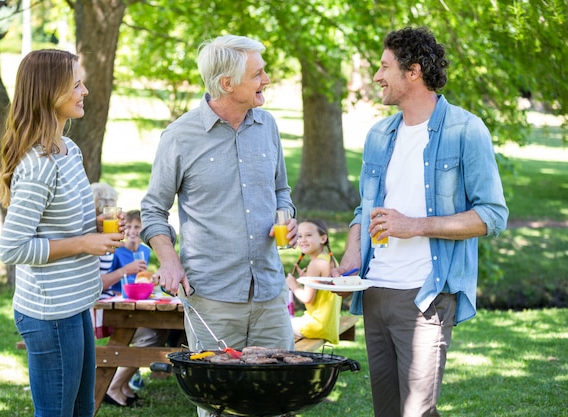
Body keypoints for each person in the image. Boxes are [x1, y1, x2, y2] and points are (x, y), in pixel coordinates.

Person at [333, 27, 509, 417]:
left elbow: (492, 216)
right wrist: (349, 261)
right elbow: (365, 211)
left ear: (412, 72)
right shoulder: (380, 135)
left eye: (384, 67)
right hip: (375, 290)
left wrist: (415, 225)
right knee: (389, 411)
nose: (377, 76)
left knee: (416, 411)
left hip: (425, 296)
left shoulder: (465, 130)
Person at [140, 34, 297, 417]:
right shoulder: (180, 136)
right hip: (212, 298)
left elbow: (282, 191)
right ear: (227, 84)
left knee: (278, 399)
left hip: (270, 295)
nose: (267, 79)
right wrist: (169, 260)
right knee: (218, 404)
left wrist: (287, 217)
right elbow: (152, 209)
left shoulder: (268, 126)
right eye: (258, 73)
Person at [0, 49, 124, 417]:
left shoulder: (69, 151)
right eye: (76, 84)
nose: (85, 91)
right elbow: (13, 247)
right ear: (49, 92)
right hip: (50, 312)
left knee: (83, 409)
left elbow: (61, 224)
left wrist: (95, 229)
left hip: (77, 303)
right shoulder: (38, 165)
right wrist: (86, 243)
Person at [104, 209, 168, 407]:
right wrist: (126, 271)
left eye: (137, 227)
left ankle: (123, 385)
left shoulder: (145, 252)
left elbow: (140, 280)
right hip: (118, 306)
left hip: (138, 303)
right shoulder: (116, 251)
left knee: (161, 332)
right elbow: (107, 281)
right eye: (129, 226)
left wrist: (152, 281)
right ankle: (113, 386)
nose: (132, 231)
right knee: (150, 336)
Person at [285, 219, 342, 344]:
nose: (303, 240)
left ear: (323, 239)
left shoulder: (315, 264)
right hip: (328, 325)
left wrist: (293, 285)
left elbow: (307, 298)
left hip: (315, 327)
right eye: (299, 236)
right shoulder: (330, 260)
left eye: (308, 235)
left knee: (275, 325)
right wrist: (306, 279)